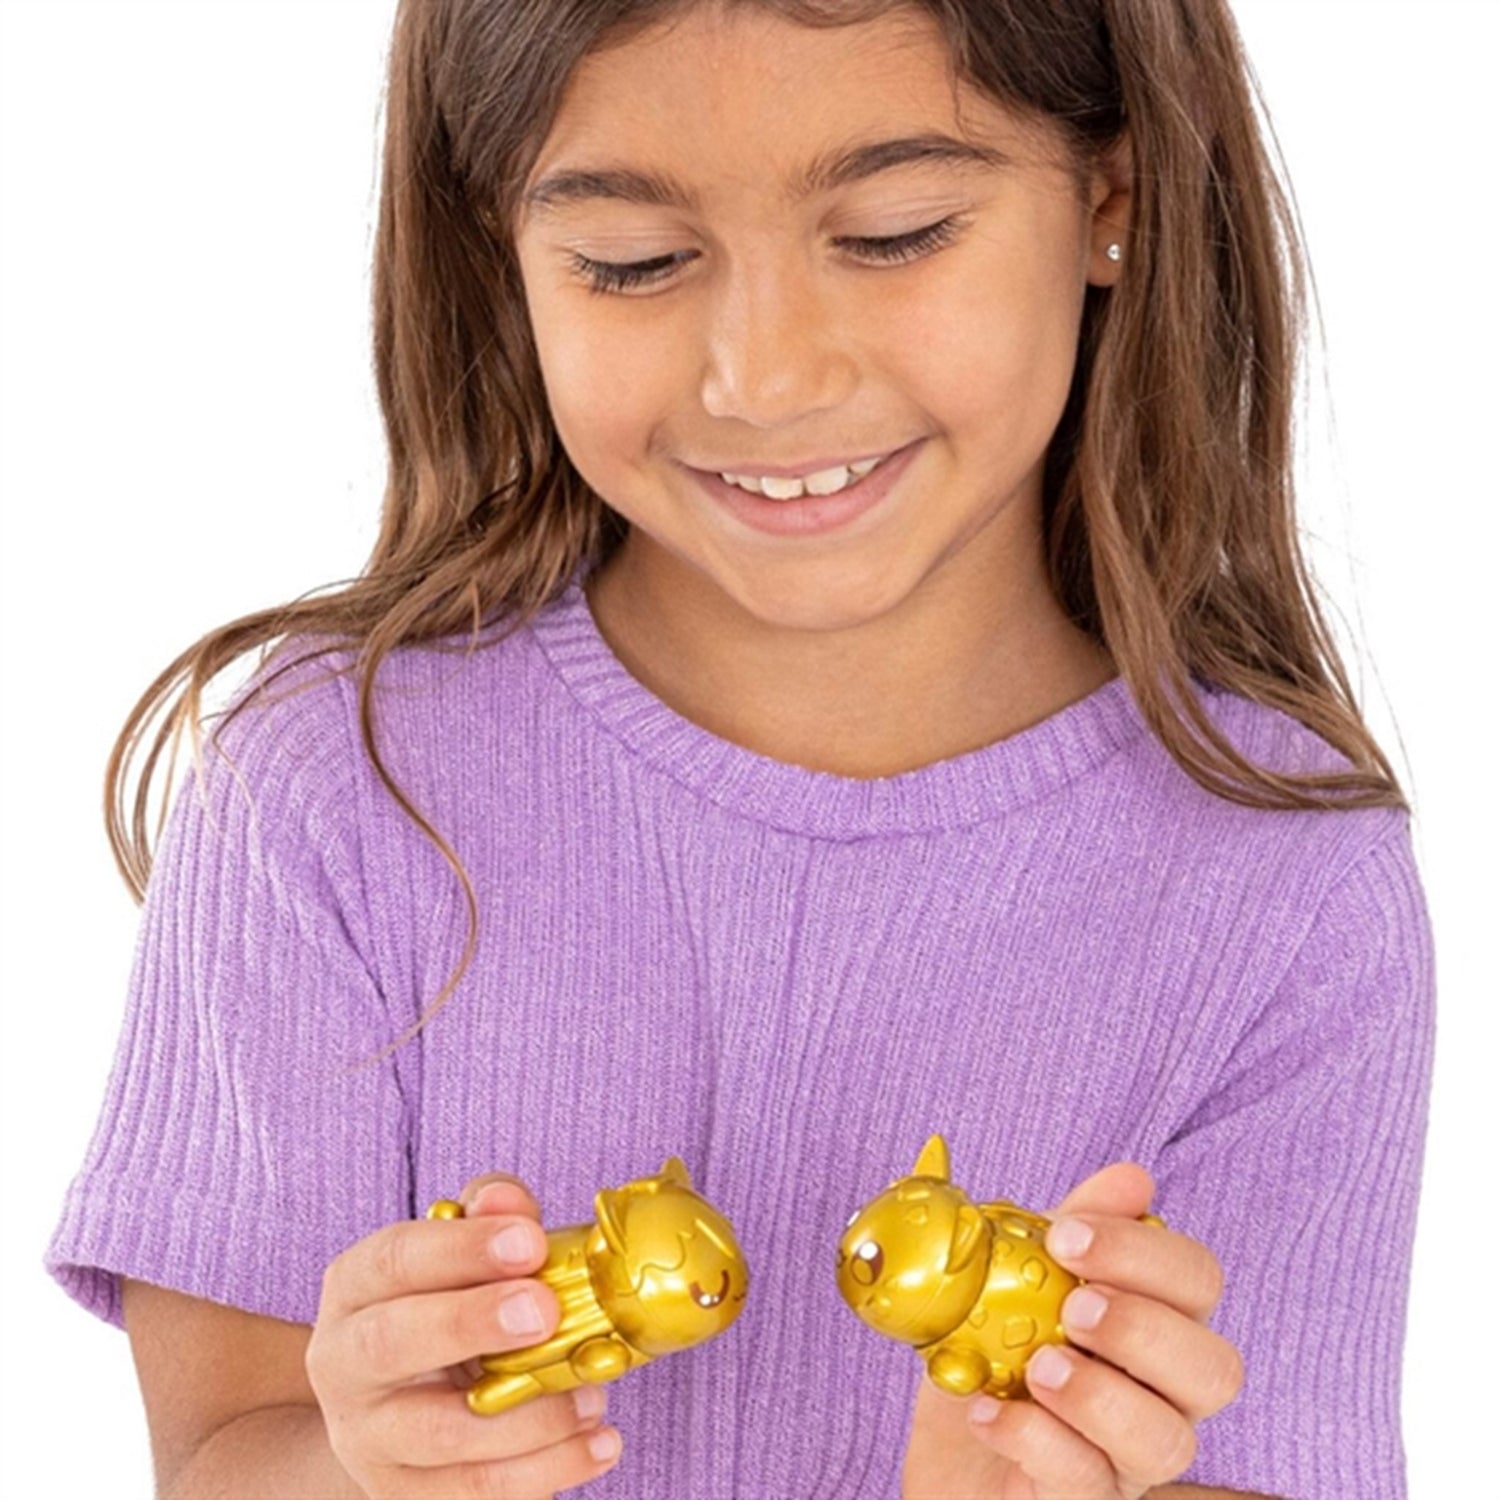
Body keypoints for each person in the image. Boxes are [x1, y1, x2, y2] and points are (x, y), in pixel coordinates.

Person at [42, 1, 1435, 1497]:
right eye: (632, 260)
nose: (763, 379)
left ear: (1114, 196)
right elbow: (223, 1456)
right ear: (501, 240)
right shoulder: (335, 787)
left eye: (895, 234)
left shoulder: (1287, 891)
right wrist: (375, 1465)